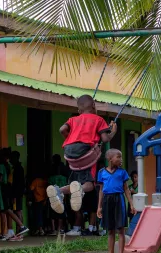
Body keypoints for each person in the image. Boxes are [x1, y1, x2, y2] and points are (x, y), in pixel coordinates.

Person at [47, 95, 118, 236]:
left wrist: (70, 139)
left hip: (70, 153)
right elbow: (105, 139)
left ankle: (58, 191)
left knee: (75, 182)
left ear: (79, 109)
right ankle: (79, 189)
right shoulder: (99, 120)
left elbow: (62, 130)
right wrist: (113, 132)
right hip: (86, 153)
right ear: (93, 106)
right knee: (90, 184)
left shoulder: (73, 119)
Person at [97, 149, 133, 253]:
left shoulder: (122, 172)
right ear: (110, 159)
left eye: (121, 157)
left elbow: (126, 189)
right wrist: (99, 207)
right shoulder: (102, 172)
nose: (121, 159)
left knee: (120, 229)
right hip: (107, 201)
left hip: (119, 200)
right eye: (118, 157)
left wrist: (131, 204)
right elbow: (101, 190)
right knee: (110, 230)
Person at [0, 149, 28, 241]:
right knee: (10, 210)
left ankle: (21, 227)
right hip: (12, 191)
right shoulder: (11, 166)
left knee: (10, 209)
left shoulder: (11, 167)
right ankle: (11, 231)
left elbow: (2, 179)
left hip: (11, 191)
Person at [48, 155, 69, 236]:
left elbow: (49, 187)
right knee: (61, 212)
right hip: (62, 197)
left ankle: (53, 229)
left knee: (52, 213)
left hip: (53, 197)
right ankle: (59, 229)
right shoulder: (64, 178)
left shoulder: (51, 178)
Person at [10, 151, 26, 225]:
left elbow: (16, 183)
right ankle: (20, 230)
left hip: (16, 193)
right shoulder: (18, 168)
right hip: (19, 192)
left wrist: (14, 195)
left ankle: (20, 229)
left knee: (17, 211)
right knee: (19, 210)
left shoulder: (18, 169)